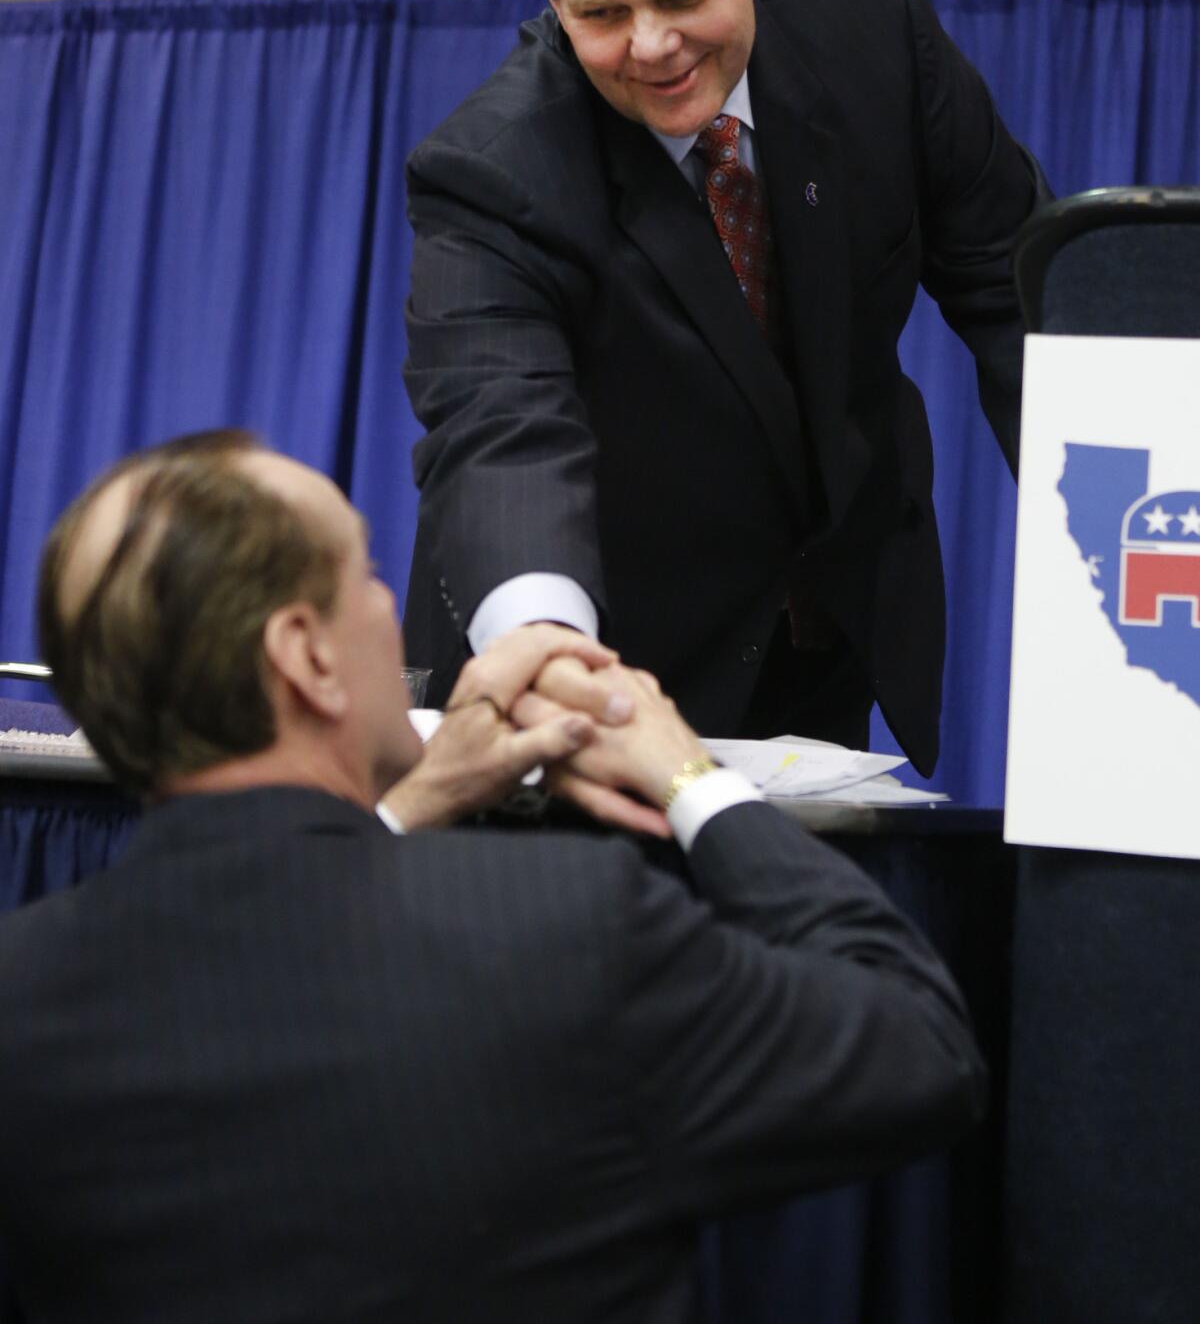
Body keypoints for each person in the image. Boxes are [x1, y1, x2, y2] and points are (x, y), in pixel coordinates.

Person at [0, 430, 984, 1324]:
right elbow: (918, 1047)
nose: (387, 605)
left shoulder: (23, 994)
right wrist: (688, 772)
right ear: (306, 655)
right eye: (369, 575)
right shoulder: (570, 929)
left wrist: (396, 808)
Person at [402, 0, 1050, 772]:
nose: (652, 45)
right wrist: (547, 641)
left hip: (823, 636)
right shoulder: (497, 166)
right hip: (597, 668)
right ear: (551, 3)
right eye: (603, 13)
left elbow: (1027, 300)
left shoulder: (874, 31)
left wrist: (1132, 512)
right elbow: (499, 427)